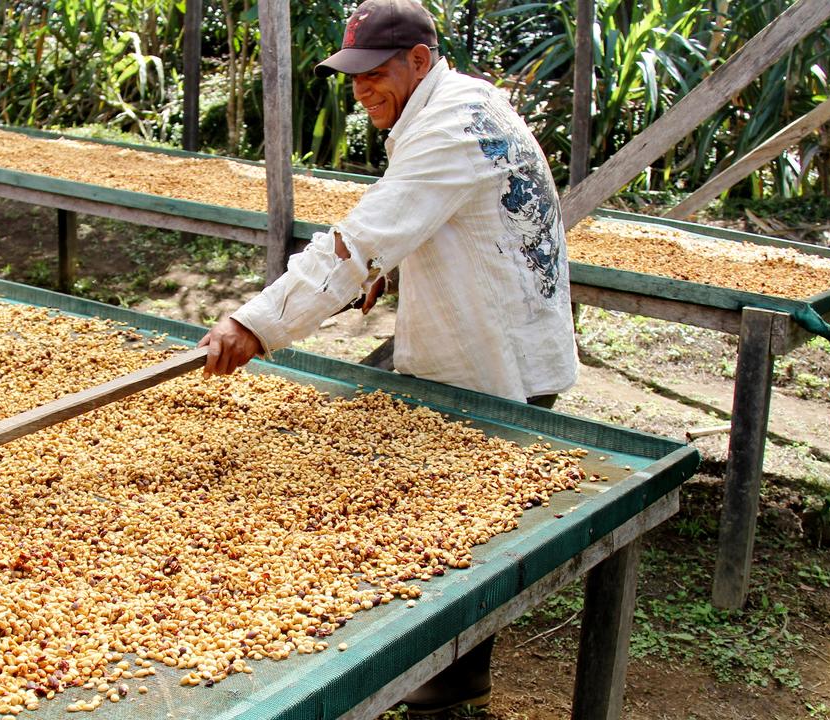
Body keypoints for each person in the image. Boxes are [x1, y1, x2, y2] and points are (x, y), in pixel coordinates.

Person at [198, 0, 578, 714]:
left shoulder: (449, 127)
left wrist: (255, 324)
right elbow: (443, 217)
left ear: (419, 61)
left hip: (495, 361)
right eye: (352, 77)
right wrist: (384, 269)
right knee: (447, 521)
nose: (362, 89)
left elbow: (364, 234)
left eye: (375, 73)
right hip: (505, 332)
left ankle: (446, 695)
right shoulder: (464, 104)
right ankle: (444, 684)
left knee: (462, 538)